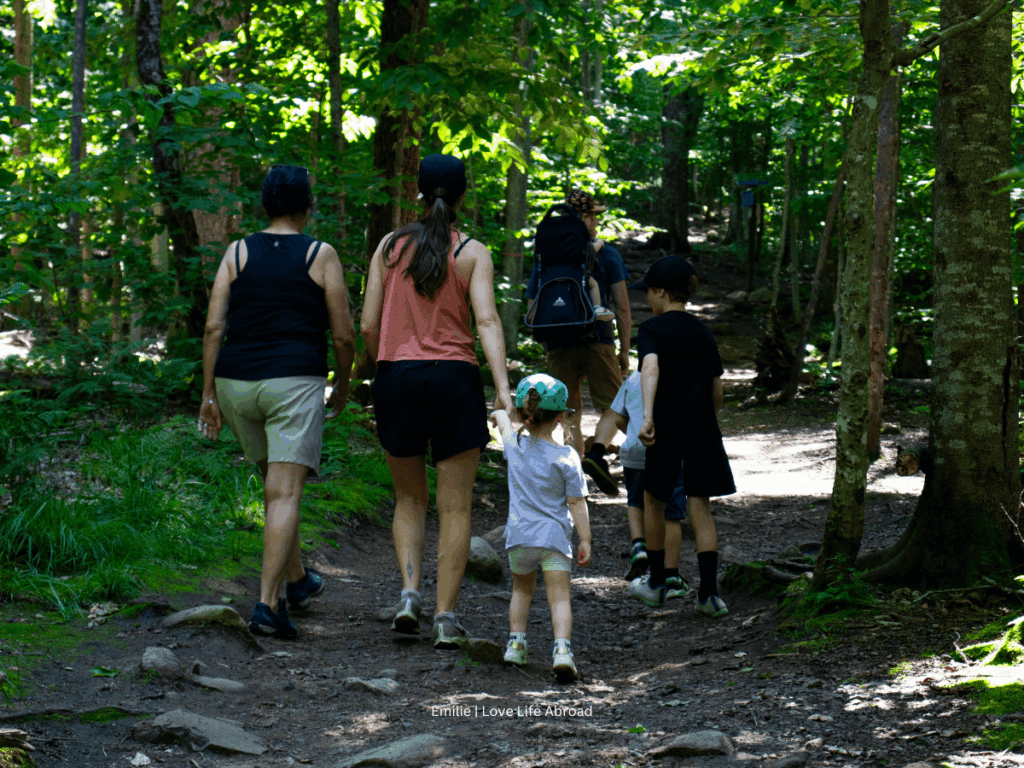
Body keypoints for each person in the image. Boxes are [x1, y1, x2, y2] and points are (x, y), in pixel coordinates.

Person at [361, 154, 513, 649]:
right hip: (455, 380)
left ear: (418, 193)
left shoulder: (389, 247)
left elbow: (367, 324)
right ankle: (445, 616)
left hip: (397, 378)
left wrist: (381, 367)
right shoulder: (472, 252)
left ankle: (409, 595)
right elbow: (487, 322)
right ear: (463, 196)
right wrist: (503, 392)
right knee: (456, 506)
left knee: (409, 498)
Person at [199, 164, 357, 638]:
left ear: (264, 203)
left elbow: (213, 327)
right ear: (307, 206)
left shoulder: (237, 252)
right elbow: (344, 335)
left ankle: (297, 580)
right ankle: (268, 606)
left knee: (273, 486)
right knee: (285, 492)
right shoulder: (320, 253)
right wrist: (343, 384)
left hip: (235, 384)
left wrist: (208, 394)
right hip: (292, 381)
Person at [627, 255, 735, 616]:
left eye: (649, 293)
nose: (647, 300)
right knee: (700, 507)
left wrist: (648, 417)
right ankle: (708, 594)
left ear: (661, 291)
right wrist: (705, 417)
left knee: (654, 499)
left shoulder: (652, 329)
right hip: (703, 427)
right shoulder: (703, 331)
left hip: (667, 428)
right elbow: (717, 391)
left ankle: (657, 583)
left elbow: (651, 367)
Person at [490, 374, 591, 682]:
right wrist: (585, 539)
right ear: (561, 417)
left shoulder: (512, 445)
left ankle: (516, 645)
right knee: (559, 597)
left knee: (521, 591)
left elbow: (499, 417)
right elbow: (576, 503)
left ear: (523, 413)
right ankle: (562, 651)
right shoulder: (567, 458)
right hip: (554, 540)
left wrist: (500, 412)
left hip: (519, 538)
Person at [526, 189, 631, 465]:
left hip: (558, 341)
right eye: (594, 217)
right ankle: (597, 452)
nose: (596, 222)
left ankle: (576, 471)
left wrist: (545, 340)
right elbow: (622, 307)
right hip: (598, 338)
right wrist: (624, 351)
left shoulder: (547, 254)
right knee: (615, 405)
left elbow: (532, 303)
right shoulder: (606, 254)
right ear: (585, 217)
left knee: (569, 409)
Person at [595, 371, 689, 597]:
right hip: (671, 452)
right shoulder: (679, 374)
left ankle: (638, 545)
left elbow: (617, 417)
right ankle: (673, 576)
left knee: (636, 501)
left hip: (635, 452)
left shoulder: (634, 378)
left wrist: (634, 432)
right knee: (671, 513)